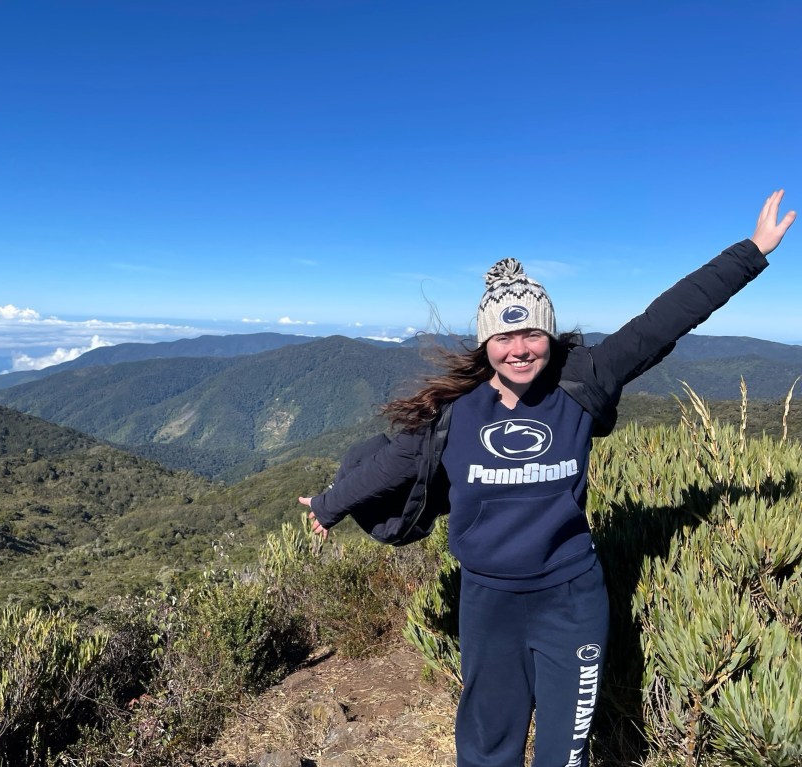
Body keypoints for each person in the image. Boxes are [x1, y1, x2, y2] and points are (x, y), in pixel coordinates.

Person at [297, 190, 795, 767]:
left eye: (532, 334)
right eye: (504, 338)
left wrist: (752, 251)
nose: (519, 350)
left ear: (550, 336)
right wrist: (329, 505)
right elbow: (393, 464)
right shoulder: (453, 415)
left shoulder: (583, 384)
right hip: (488, 600)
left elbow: (663, 321)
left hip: (572, 598)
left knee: (566, 751)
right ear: (486, 343)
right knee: (488, 744)